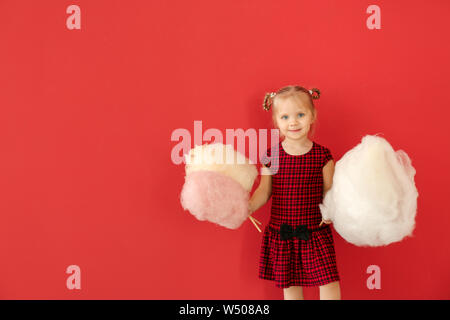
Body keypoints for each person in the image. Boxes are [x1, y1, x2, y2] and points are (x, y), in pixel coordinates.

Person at [248, 85, 341, 300]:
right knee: (290, 287)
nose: (293, 122)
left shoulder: (323, 156)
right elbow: (264, 190)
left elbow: (330, 192)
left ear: (312, 116)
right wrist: (250, 205)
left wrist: (331, 211)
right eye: (285, 117)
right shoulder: (271, 155)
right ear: (276, 121)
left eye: (300, 114)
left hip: (315, 232)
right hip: (284, 232)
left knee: (328, 282)